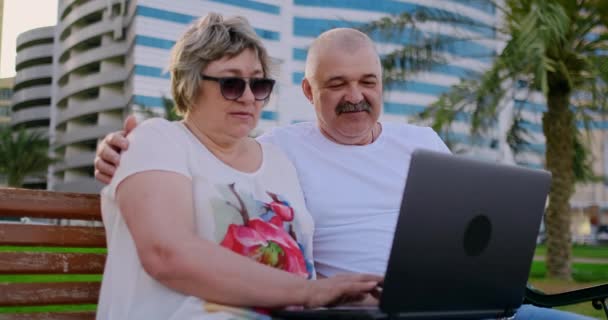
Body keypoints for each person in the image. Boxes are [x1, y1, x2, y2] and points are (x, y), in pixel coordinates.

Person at [95, 27, 593, 319]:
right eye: (336, 84)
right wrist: (120, 152)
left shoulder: (421, 140)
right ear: (310, 93)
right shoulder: (277, 151)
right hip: (366, 310)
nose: (355, 95)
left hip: (469, 305)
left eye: (367, 81)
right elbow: (207, 156)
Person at [95, 15, 382, 320]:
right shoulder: (157, 140)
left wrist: (351, 295)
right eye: (231, 83)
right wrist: (312, 294)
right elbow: (167, 255)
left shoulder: (278, 162)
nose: (248, 97)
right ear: (189, 83)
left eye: (258, 84)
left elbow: (299, 278)